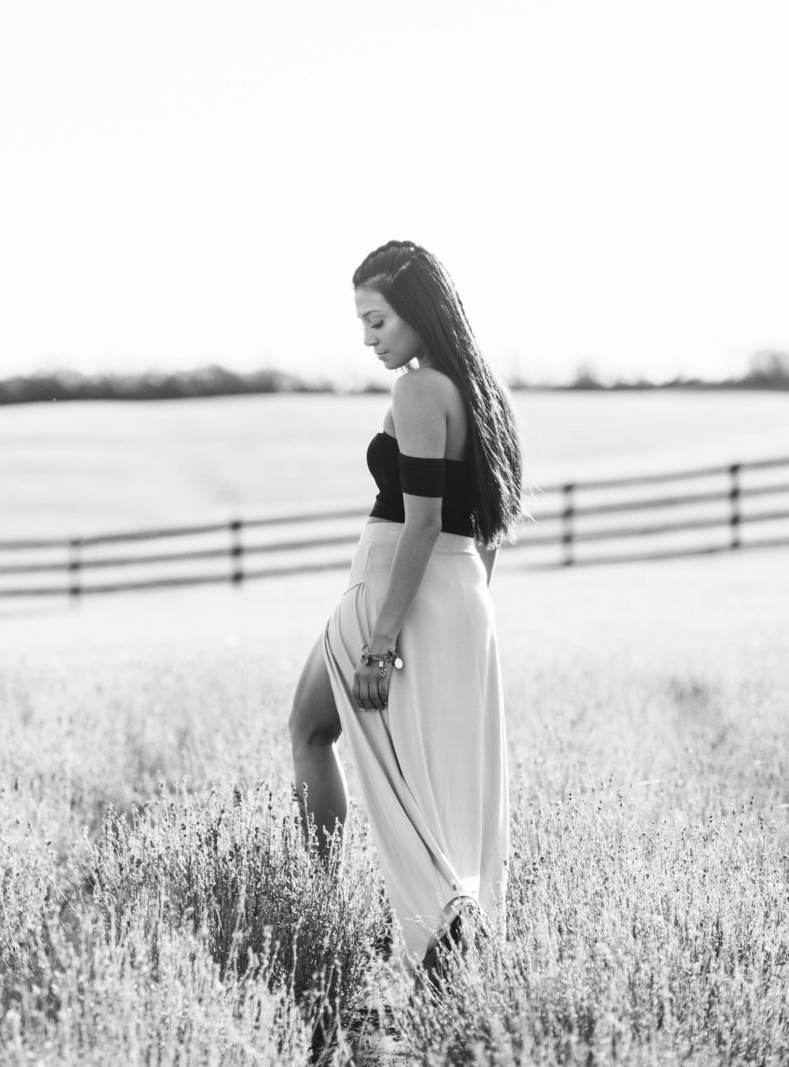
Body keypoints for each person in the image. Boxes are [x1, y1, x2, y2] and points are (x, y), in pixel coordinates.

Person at [287, 240, 524, 975]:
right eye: (362, 321)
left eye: (379, 319)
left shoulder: (419, 390)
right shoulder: (485, 393)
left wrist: (382, 638)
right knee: (436, 776)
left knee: (308, 727)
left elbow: (420, 523)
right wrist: (461, 617)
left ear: (418, 311)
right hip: (459, 596)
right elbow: (484, 531)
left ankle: (329, 904)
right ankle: (453, 933)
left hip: (396, 593)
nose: (368, 338)